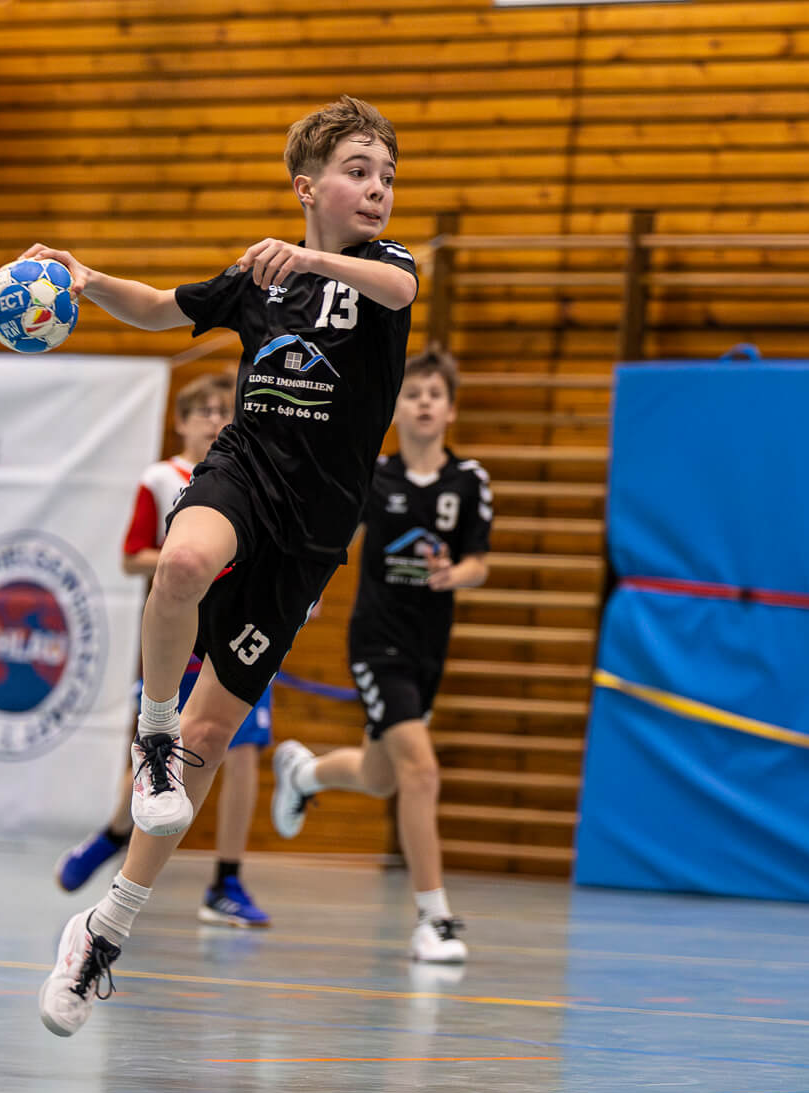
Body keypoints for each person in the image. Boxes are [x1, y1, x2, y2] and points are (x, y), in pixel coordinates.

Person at [24, 94, 417, 1038]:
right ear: (306, 186)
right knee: (183, 563)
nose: (376, 189)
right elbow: (161, 310)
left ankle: (104, 929)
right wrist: (85, 279)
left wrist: (312, 260)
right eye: (357, 171)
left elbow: (398, 292)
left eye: (386, 176)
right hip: (245, 471)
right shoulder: (255, 280)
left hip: (313, 532)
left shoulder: (384, 269)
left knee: (213, 739)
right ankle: (151, 732)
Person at [269, 345, 491, 964]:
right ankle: (434, 920)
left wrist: (455, 575)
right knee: (421, 771)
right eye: (412, 394)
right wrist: (307, 592)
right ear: (396, 408)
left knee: (380, 775)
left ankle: (304, 774)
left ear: (450, 410)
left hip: (428, 649)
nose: (423, 404)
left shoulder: (469, 481)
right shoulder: (374, 474)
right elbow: (336, 540)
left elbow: (479, 562)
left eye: (435, 395)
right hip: (375, 643)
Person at [52, 372, 273, 929]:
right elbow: (132, 557)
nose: (213, 420)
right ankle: (114, 833)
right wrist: (195, 558)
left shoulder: (258, 480)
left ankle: (227, 879)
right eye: (202, 411)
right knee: (158, 744)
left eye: (223, 410)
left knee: (243, 751)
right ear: (180, 422)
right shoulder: (160, 479)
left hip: (240, 629)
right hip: (180, 635)